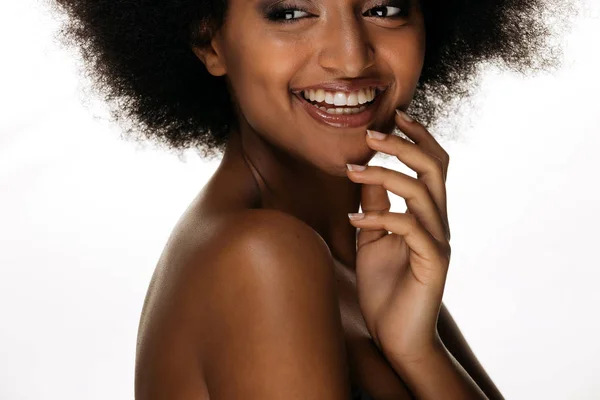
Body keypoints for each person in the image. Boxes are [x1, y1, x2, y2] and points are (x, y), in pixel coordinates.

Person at [50, 0, 574, 398]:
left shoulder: (363, 255)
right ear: (210, 40)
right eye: (292, 12)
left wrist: (418, 351)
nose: (350, 57)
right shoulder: (261, 256)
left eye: (383, 8)